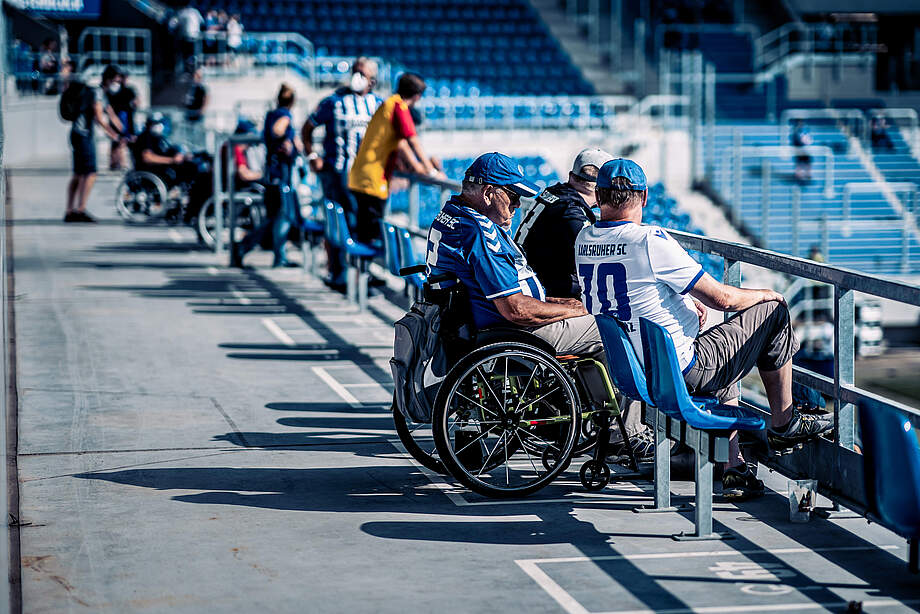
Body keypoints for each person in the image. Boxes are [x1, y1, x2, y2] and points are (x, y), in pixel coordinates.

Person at [574, 158, 834, 500]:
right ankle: (786, 423)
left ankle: (735, 467)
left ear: (599, 195)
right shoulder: (649, 240)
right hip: (679, 373)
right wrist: (769, 293)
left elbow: (637, 294)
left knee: (723, 346)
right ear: (645, 197)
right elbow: (723, 299)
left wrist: (683, 305)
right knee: (772, 313)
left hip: (635, 372)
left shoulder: (583, 238)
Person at [426, 152, 606, 362]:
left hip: (488, 324)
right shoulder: (479, 233)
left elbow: (498, 295)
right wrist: (573, 311)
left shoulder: (452, 214)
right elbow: (516, 310)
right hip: (514, 333)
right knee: (612, 326)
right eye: (513, 196)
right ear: (488, 193)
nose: (518, 205)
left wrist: (560, 304)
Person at [302, 58, 382, 291]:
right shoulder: (333, 102)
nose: (357, 76)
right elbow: (307, 129)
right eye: (355, 71)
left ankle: (361, 277)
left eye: (362, 73)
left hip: (366, 179)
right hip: (337, 175)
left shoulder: (377, 104)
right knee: (339, 222)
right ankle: (338, 273)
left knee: (363, 227)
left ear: (373, 80)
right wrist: (312, 156)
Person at [348, 72, 440, 245]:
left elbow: (399, 144)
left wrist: (416, 166)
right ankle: (369, 270)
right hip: (371, 180)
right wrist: (431, 171)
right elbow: (412, 141)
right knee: (370, 239)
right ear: (417, 96)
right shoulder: (399, 107)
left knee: (365, 235)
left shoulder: (388, 104)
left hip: (362, 176)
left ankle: (366, 270)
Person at [515, 148, 615, 298]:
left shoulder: (555, 192)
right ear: (602, 188)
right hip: (544, 293)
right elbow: (598, 261)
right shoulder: (571, 212)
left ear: (571, 176)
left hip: (529, 279)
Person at [232, 84, 302, 268]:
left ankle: (254, 250)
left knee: (275, 217)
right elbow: (277, 131)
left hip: (272, 173)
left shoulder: (271, 114)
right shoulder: (284, 116)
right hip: (280, 175)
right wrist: (287, 142)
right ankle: (273, 255)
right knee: (282, 216)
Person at [64, 67, 121, 223]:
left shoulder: (100, 93)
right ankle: (80, 210)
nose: (118, 84)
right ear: (109, 79)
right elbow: (99, 117)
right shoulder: (97, 93)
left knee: (78, 173)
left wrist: (122, 129)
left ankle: (70, 211)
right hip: (83, 135)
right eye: (116, 80)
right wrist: (113, 135)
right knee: (90, 173)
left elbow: (110, 114)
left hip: (78, 133)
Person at [134, 112, 211, 222]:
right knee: (192, 171)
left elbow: (167, 150)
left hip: (167, 166)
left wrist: (182, 156)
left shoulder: (157, 137)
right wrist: (171, 160)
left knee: (195, 163)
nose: (159, 126)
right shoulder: (146, 137)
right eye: (156, 123)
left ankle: (187, 202)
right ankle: (189, 202)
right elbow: (148, 158)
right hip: (156, 170)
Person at [106, 66, 137, 171]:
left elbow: (136, 102)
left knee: (118, 141)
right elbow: (136, 103)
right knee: (120, 141)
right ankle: (120, 163)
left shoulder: (126, 90)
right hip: (121, 117)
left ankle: (115, 163)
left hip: (123, 117)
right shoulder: (120, 90)